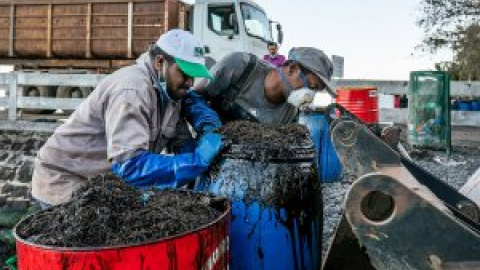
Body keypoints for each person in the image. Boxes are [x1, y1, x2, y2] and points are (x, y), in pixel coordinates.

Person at [31, 29, 223, 207]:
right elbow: (130, 167)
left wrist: (207, 137)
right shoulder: (131, 91)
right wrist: (196, 161)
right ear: (159, 62)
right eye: (185, 73)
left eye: (195, 76)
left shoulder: (169, 94)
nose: (190, 83)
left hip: (102, 183)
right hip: (65, 180)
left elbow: (182, 141)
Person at [194, 47, 337, 124]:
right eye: (311, 87)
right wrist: (207, 126)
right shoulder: (240, 66)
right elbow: (193, 98)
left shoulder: (290, 114)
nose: (310, 97)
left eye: (315, 91)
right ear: (292, 69)